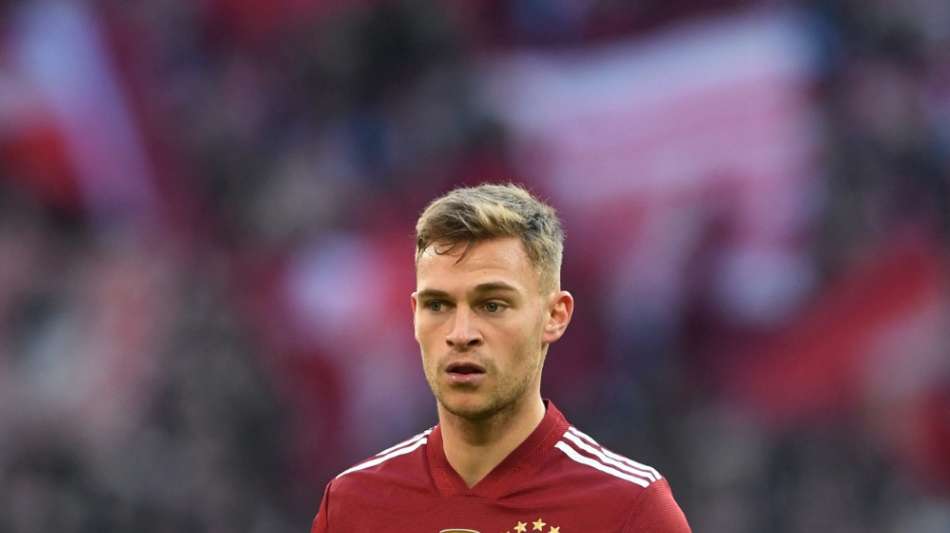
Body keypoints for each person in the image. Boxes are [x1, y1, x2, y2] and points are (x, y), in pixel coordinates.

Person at [311, 183, 691, 532]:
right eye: (438, 305)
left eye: (492, 305)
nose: (461, 334)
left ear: (554, 316)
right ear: (414, 316)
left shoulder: (630, 510)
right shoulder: (352, 505)